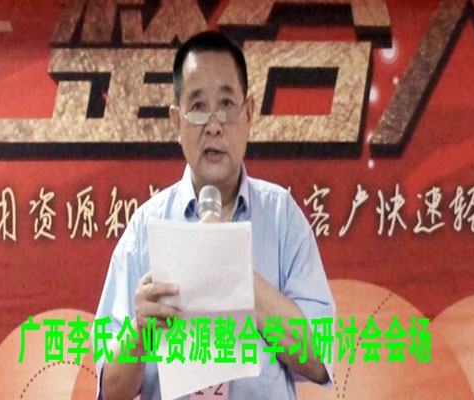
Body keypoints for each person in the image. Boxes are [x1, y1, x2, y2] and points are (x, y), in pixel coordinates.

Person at [93, 30, 335, 400]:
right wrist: (139, 333)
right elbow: (109, 391)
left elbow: (320, 358)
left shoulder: (282, 217)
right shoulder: (145, 229)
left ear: (248, 114)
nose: (214, 125)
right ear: (176, 122)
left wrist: (234, 273)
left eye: (226, 104)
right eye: (198, 107)